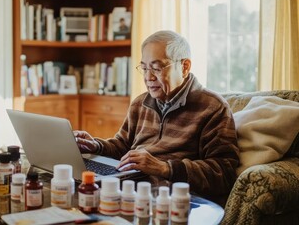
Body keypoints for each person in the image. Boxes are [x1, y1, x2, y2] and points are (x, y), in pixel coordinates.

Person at [74, 30, 240, 205]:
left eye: (156, 68)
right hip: (132, 190)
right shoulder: (140, 104)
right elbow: (122, 146)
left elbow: (224, 172)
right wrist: (96, 146)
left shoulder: (212, 107)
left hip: (176, 200)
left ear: (184, 67)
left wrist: (164, 167)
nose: (148, 77)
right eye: (144, 68)